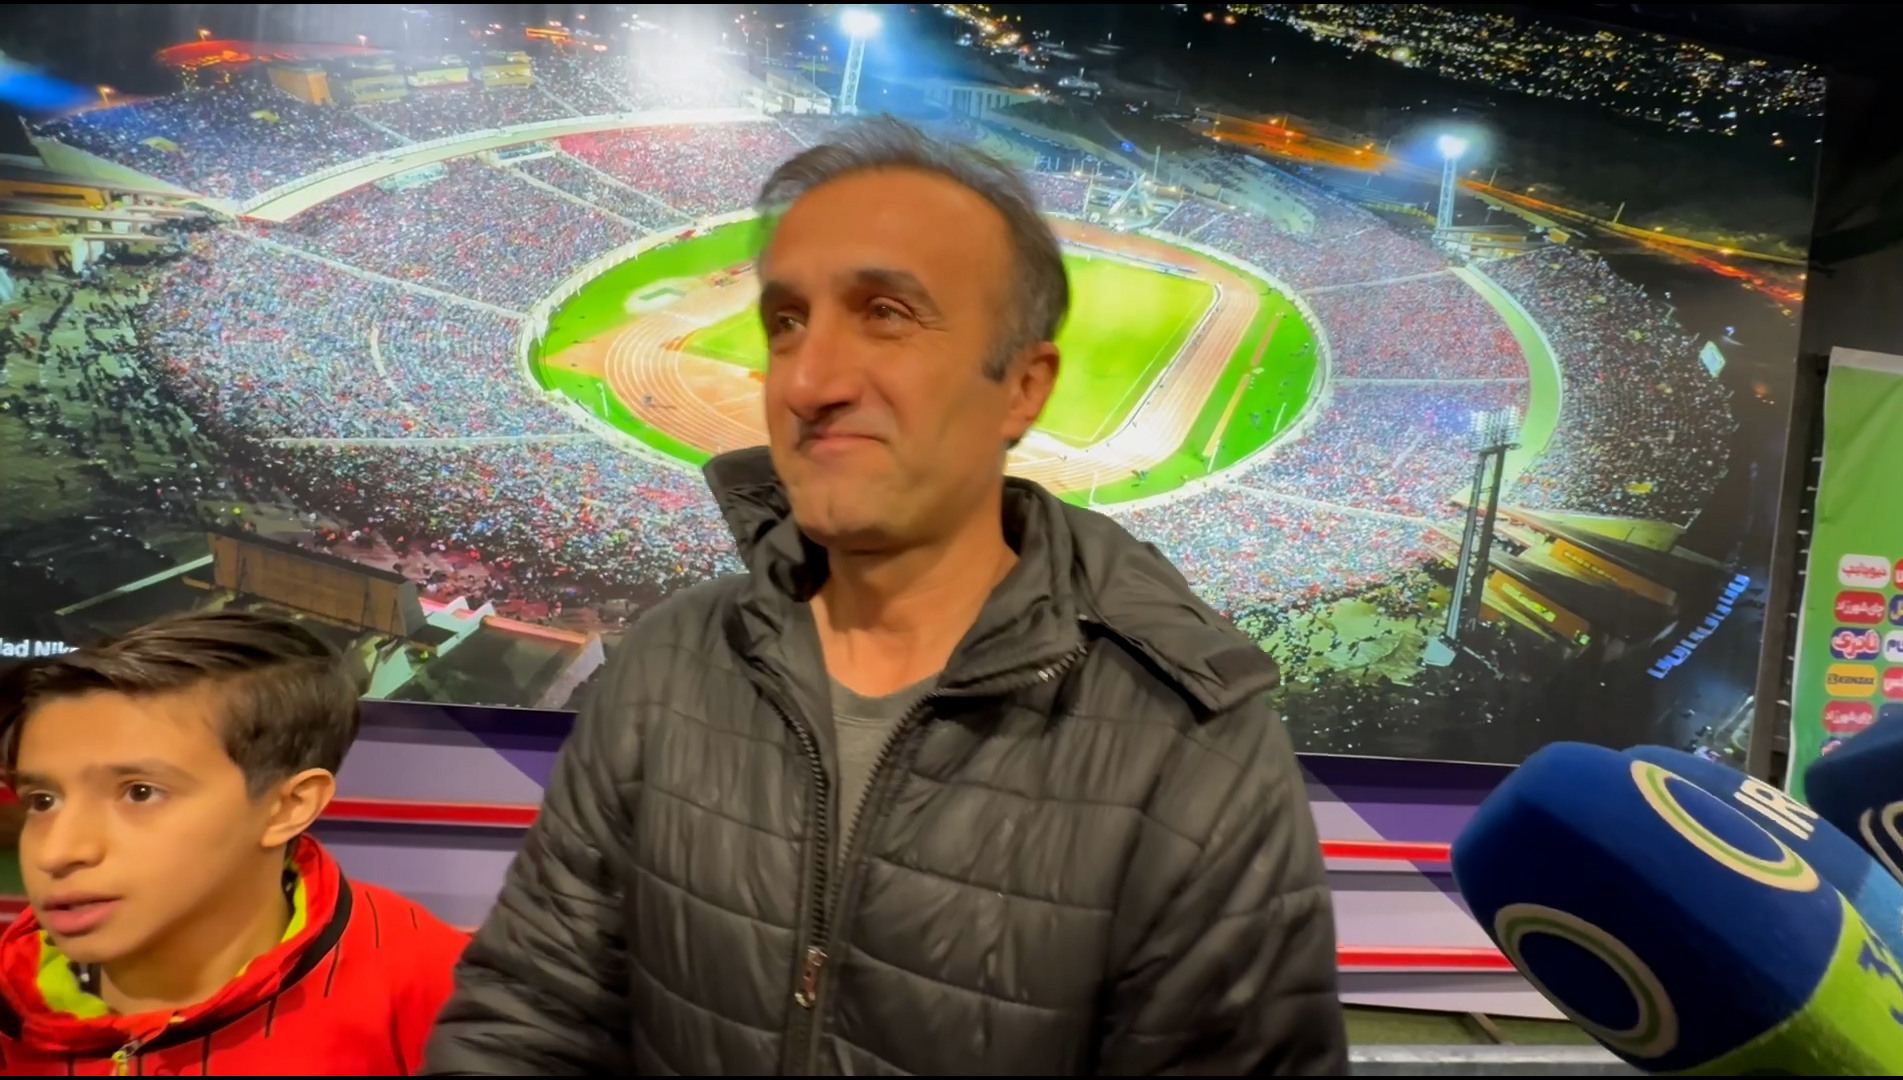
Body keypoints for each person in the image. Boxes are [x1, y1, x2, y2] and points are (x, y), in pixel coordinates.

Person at [426, 116, 1346, 1075]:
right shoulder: (667, 661)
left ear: (1023, 387)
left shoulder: (1196, 747)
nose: (809, 380)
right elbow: (528, 1016)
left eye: (888, 314)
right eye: (786, 323)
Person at [0, 610, 469, 1075]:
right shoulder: (10, 994)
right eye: (43, 801)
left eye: (140, 793)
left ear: (288, 806)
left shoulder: (445, 996)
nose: (56, 852)